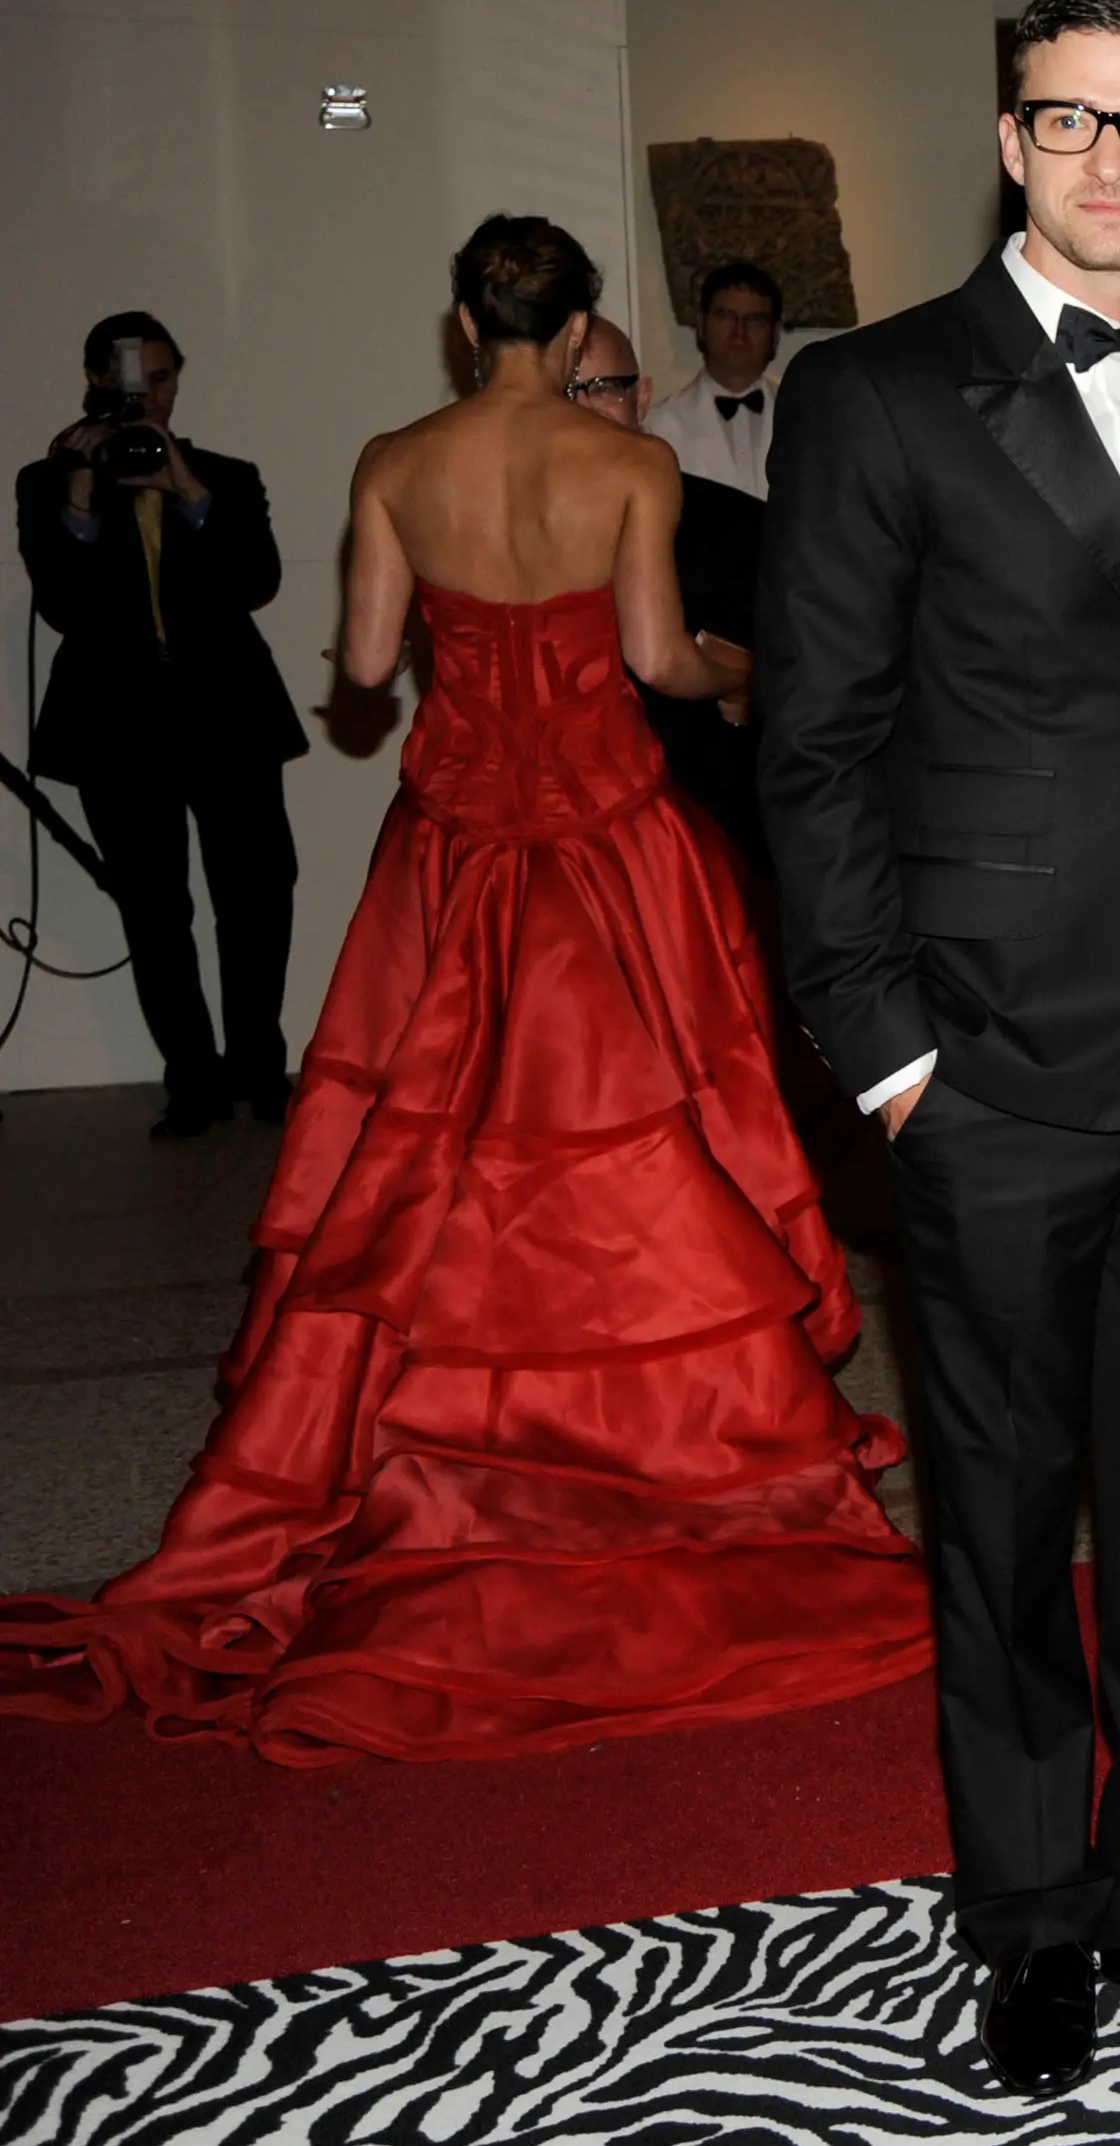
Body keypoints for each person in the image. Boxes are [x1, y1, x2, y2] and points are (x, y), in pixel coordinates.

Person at [0, 216, 928, 1761]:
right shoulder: (625, 469)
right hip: (610, 849)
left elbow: (365, 669)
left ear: (460, 323)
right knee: (641, 1145)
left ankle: (444, 1457)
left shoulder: (393, 457)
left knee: (430, 1158)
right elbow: (654, 665)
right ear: (577, 341)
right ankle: (657, 1448)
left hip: (456, 851)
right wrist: (737, 671)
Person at [760, 0, 1120, 2095]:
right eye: (1070, 121)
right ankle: (1027, 1912)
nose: (1111, 159)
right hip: (985, 1056)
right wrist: (889, 1054)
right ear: (1009, 142)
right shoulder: (881, 393)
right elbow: (812, 752)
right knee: (1001, 1508)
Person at [14, 312, 305, 1136]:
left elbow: (257, 580)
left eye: (163, 378)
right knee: (154, 909)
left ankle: (259, 1065)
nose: (149, 396)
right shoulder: (47, 482)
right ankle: (194, 1081)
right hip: (119, 729)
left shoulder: (225, 477)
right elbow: (63, 605)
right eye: (130, 379)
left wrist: (189, 493)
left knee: (257, 899)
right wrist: (80, 491)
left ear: (178, 379)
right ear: (96, 379)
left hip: (231, 720)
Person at [571, 313, 769, 863]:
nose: (581, 412)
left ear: (642, 399)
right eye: (563, 392)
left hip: (693, 843)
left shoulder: (737, 527)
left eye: (603, 389)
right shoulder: (490, 532)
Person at [644, 259, 785, 500]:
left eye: (754, 320)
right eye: (726, 316)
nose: (739, 331)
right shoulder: (656, 427)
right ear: (701, 324)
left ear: (774, 332)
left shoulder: (806, 417)